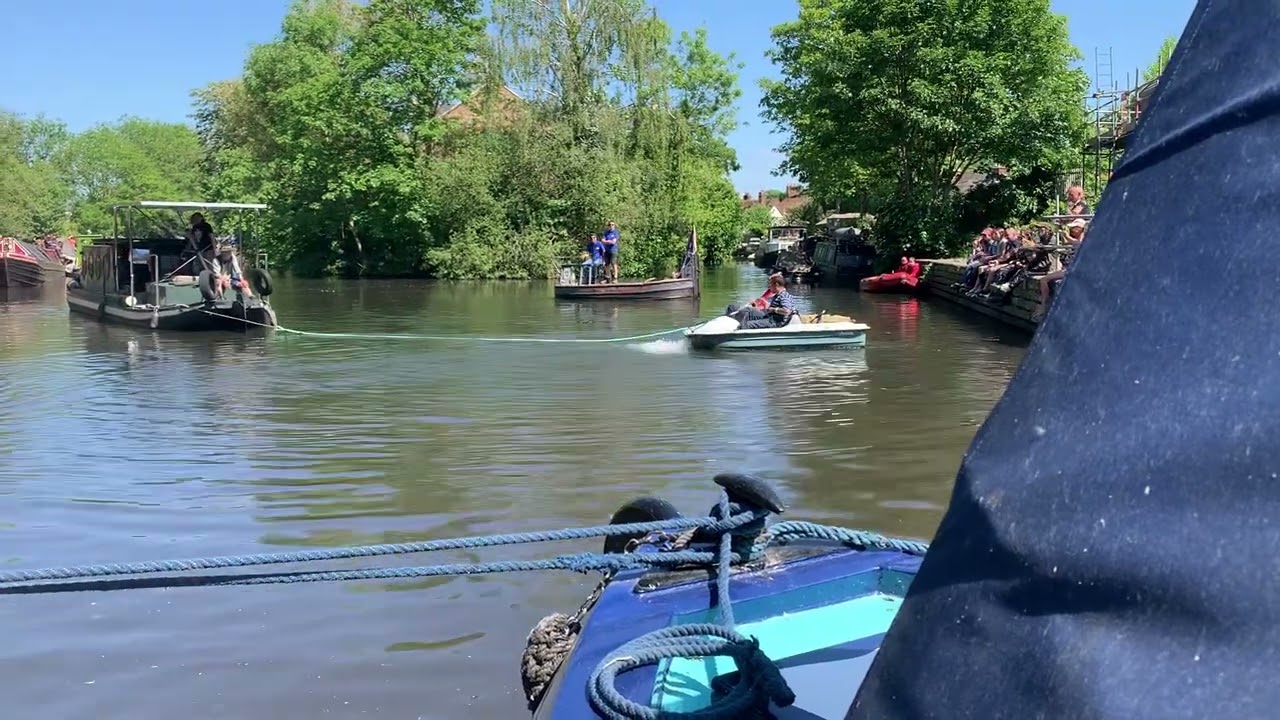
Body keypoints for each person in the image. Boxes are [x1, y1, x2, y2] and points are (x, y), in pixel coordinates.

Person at [1033, 218, 1086, 319]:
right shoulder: (1079, 239)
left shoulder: (1082, 240)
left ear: (1080, 228)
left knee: (1044, 279)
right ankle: (1044, 303)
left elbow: (1072, 241)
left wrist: (1062, 230)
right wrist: (1061, 230)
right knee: (1045, 279)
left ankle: (1044, 305)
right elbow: (1067, 242)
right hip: (1070, 268)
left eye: (1074, 228)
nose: (1072, 230)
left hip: (1074, 269)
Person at [730, 273, 795, 329]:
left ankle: (740, 330)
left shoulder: (784, 296)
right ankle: (733, 322)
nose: (769, 287)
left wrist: (773, 310)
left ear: (777, 285)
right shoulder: (778, 295)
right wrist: (755, 305)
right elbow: (769, 308)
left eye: (770, 285)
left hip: (775, 322)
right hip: (769, 317)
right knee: (749, 311)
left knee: (747, 324)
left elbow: (787, 311)